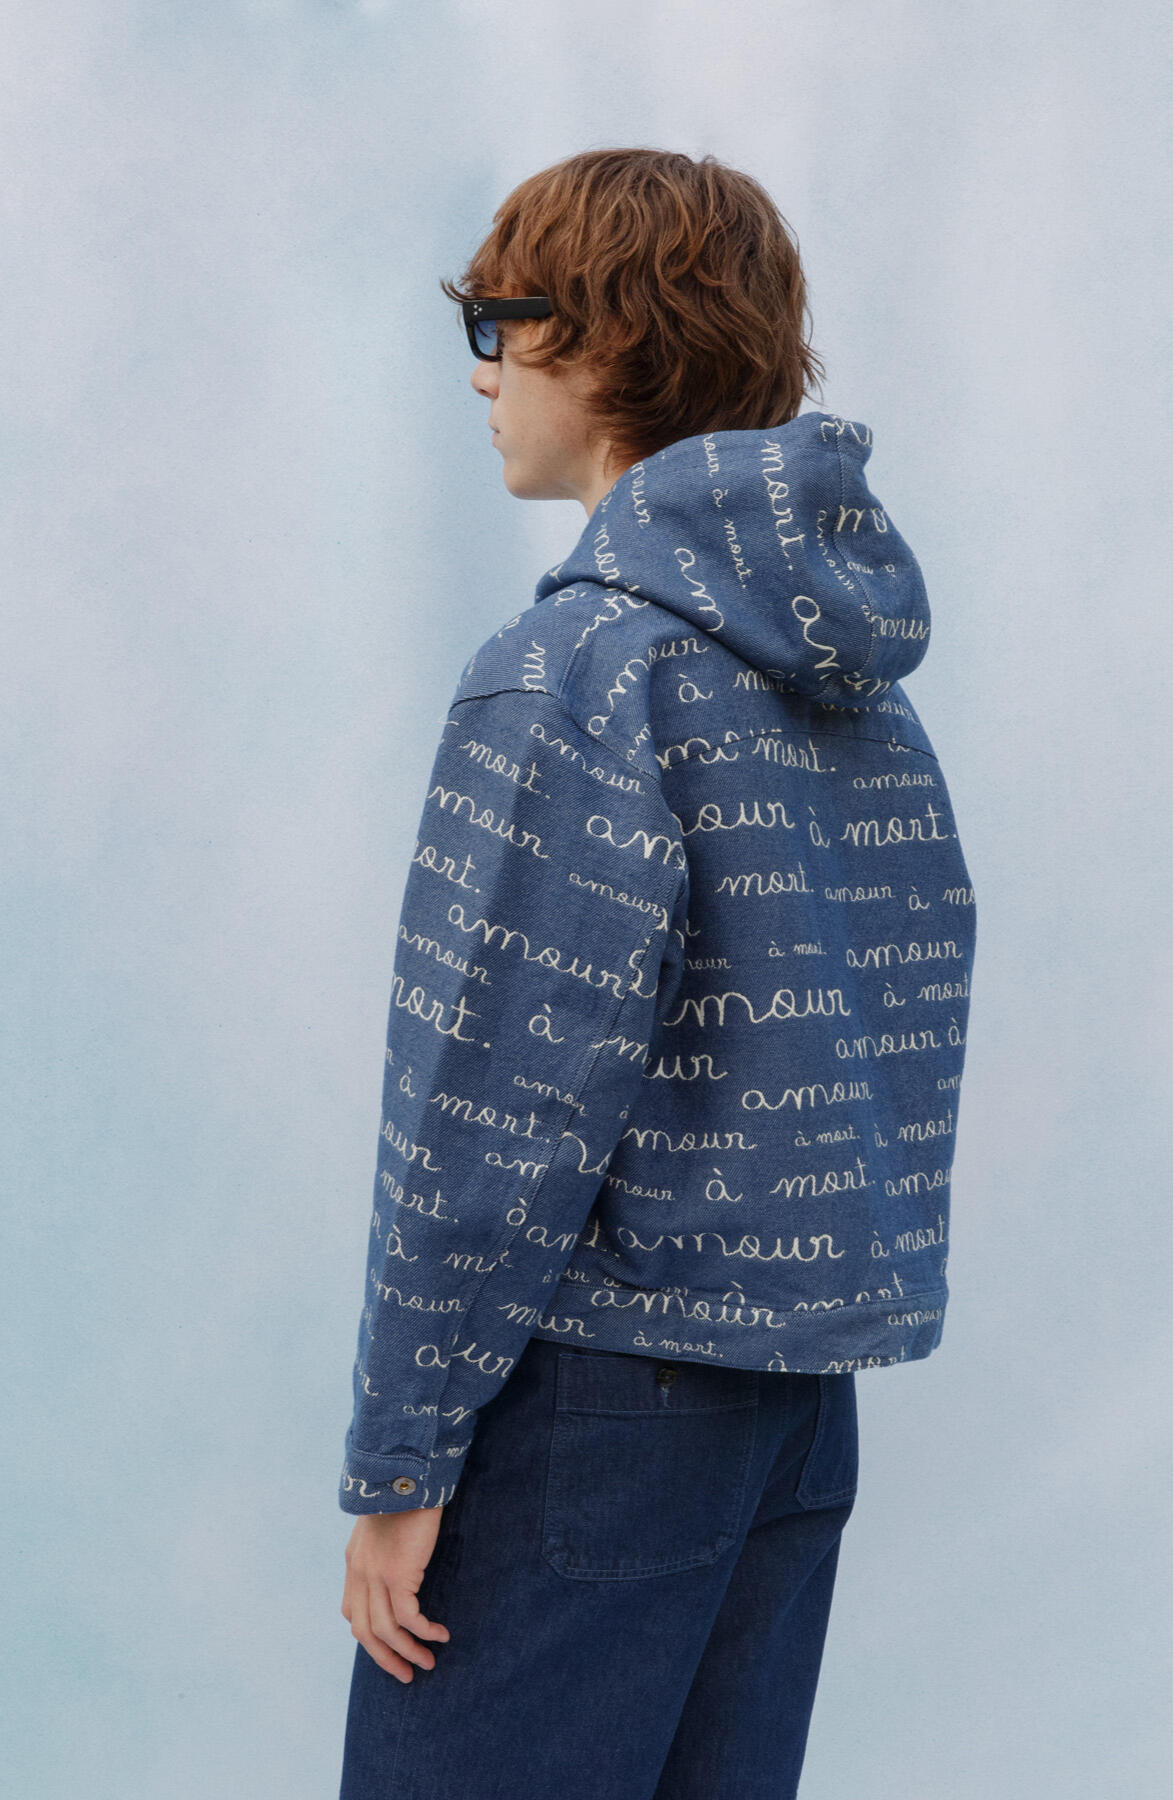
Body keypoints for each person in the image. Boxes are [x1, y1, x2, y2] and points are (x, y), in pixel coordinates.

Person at [337, 146, 977, 1800]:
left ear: (604, 336)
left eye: (499, 322)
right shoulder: (854, 688)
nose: (480, 370)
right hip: (794, 1403)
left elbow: (492, 1107)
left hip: (590, 1406)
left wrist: (400, 1460)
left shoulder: (570, 674)